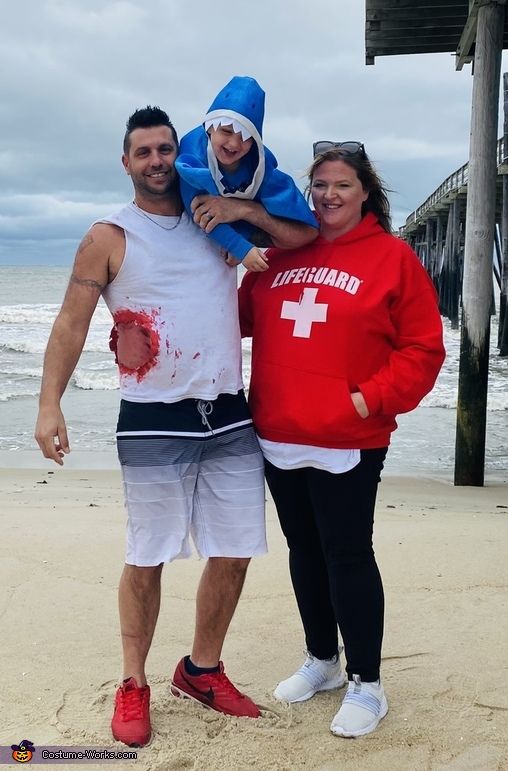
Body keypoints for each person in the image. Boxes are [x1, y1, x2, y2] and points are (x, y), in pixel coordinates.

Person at [34, 106, 319, 749]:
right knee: (148, 554)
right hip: (152, 418)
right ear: (127, 162)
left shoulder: (210, 217)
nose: (159, 160)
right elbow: (71, 323)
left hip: (227, 410)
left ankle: (202, 669)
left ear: (179, 152)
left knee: (235, 548)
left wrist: (244, 213)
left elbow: (294, 236)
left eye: (166, 148)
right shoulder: (109, 235)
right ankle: (132, 680)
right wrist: (50, 404)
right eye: (145, 152)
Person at [238, 140, 446, 738]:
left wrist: (369, 398)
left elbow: (422, 348)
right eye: (320, 185)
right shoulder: (280, 254)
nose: (329, 196)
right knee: (303, 553)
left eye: (342, 186)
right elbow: (237, 319)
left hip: (349, 436)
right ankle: (322, 662)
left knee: (347, 554)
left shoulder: (392, 258)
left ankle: (366, 682)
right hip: (277, 430)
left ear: (365, 193)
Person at [175, 75, 318, 272]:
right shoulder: (192, 155)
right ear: (209, 129)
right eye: (225, 131)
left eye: (245, 137)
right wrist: (240, 247)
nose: (234, 144)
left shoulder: (261, 167)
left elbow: (308, 230)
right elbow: (197, 210)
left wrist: (244, 217)